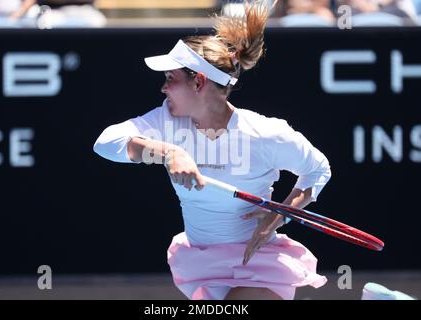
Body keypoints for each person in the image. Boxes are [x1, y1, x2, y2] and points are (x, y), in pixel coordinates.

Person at [93, 0, 331, 300]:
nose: (163, 89)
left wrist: (279, 215)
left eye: (171, 79)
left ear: (199, 82)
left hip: (258, 261)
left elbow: (317, 169)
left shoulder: (265, 133)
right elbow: (105, 143)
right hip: (202, 263)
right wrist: (169, 153)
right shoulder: (167, 120)